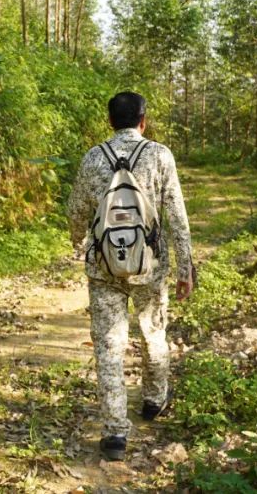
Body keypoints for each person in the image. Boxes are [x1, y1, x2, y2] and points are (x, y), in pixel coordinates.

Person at [68, 91, 195, 462]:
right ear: (144, 120)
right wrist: (186, 267)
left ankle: (114, 434)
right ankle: (154, 401)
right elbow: (176, 214)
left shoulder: (93, 157)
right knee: (153, 332)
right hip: (150, 266)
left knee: (109, 346)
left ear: (110, 121)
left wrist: (79, 241)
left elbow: (77, 211)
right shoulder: (160, 155)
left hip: (104, 266)